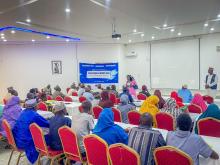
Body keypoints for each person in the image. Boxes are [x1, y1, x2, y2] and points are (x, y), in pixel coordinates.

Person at [12, 99, 49, 164]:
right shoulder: (34, 115)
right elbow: (47, 124)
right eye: (37, 105)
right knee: (48, 136)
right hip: (27, 143)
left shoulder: (22, 112)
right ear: (34, 106)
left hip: (17, 140)